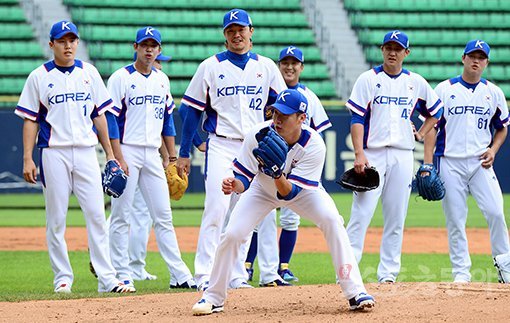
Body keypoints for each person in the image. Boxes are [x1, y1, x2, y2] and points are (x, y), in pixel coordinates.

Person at [191, 89, 375, 315]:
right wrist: (234, 184)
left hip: (303, 192)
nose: (277, 119)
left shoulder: (314, 145)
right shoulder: (258, 134)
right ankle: (213, 296)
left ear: (301, 118)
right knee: (232, 234)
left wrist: (277, 172)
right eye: (276, 112)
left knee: (332, 221)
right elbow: (244, 178)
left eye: (285, 115)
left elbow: (289, 193)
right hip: (261, 189)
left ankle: (355, 292)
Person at [15, 20, 134, 293]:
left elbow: (99, 116)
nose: (67, 45)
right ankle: (62, 278)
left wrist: (111, 153)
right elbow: (30, 120)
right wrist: (27, 158)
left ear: (77, 43)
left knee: (96, 214)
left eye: (72, 40)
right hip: (53, 152)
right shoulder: (39, 76)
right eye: (61, 40)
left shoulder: (89, 73)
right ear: (51, 44)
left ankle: (107, 278)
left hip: (85, 151)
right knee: (56, 218)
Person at [176, 8, 287, 291]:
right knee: (215, 209)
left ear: (251, 32)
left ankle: (236, 274)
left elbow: (282, 104)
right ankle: (204, 274)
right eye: (231, 31)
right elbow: (190, 111)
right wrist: (185, 151)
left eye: (241, 29)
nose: (237, 34)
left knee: (245, 213)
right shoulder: (210, 66)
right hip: (222, 144)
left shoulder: (267, 67)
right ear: (225, 36)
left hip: (254, 148)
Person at [345, 30, 443, 283]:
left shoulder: (416, 82)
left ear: (406, 53)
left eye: (397, 48)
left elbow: (436, 112)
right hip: (373, 155)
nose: (392, 52)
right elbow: (356, 118)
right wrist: (359, 154)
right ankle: (347, 271)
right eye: (388, 47)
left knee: (396, 217)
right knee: (361, 214)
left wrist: (420, 133)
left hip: (402, 154)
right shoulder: (368, 79)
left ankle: (387, 274)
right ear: (382, 50)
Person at [106, 26, 195, 290]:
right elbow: (111, 120)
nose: (148, 49)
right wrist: (116, 157)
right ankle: (121, 273)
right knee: (122, 214)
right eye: (144, 44)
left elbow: (168, 120)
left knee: (163, 215)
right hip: (128, 150)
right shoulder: (120, 78)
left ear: (159, 50)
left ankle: (179, 275)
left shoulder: (161, 80)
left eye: (153, 45)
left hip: (152, 153)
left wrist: (172, 158)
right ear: (135, 47)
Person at [424, 40, 510, 283]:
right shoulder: (444, 89)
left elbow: (502, 128)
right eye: (472, 55)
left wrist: (493, 149)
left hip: (481, 162)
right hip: (449, 162)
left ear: (487, 63)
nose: (476, 60)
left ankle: (505, 267)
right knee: (455, 219)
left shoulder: (493, 93)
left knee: (495, 212)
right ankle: (461, 273)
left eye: (481, 57)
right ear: (463, 58)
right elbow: (431, 128)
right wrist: (428, 163)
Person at [244, 45, 332, 283]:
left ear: (301, 67)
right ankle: (248, 265)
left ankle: (283, 267)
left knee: (290, 217)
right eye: (285, 62)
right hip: (267, 163)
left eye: (294, 63)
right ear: (278, 65)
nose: (289, 66)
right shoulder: (269, 92)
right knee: (259, 216)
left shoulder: (310, 97)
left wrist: (309, 162)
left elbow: (320, 132)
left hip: (298, 164)